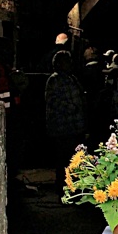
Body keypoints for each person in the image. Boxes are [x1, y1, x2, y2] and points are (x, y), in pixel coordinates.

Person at [45, 50, 86, 193]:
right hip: (62, 127)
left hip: (74, 127)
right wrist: (72, 108)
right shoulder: (55, 80)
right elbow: (54, 102)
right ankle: (63, 186)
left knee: (74, 158)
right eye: (67, 61)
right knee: (63, 158)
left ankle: (73, 185)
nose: (70, 64)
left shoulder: (71, 78)